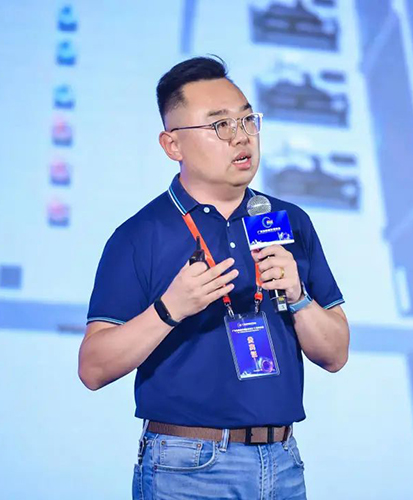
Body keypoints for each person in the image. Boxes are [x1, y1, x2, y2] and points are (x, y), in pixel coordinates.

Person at [78, 56, 350, 500]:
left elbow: (335, 354)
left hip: (283, 462)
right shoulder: (140, 235)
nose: (241, 136)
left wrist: (299, 296)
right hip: (187, 468)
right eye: (220, 125)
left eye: (247, 120)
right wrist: (169, 310)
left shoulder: (288, 220)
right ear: (173, 145)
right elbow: (93, 368)